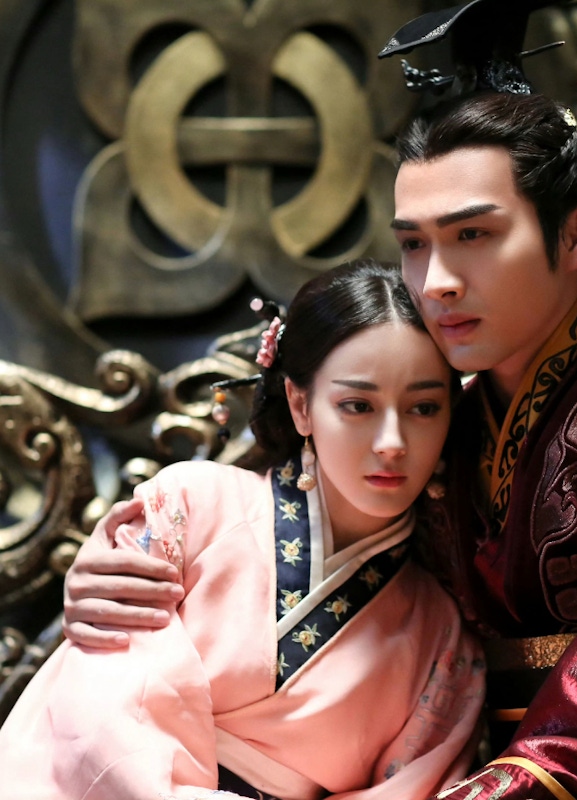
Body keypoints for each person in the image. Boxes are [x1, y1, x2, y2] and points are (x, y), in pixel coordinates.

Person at [61, 10, 577, 800]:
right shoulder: (444, 415)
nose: (436, 282)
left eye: (473, 236)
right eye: (414, 243)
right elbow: (276, 517)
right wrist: (127, 569)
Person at [0, 259, 486, 800]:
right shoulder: (185, 508)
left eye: (423, 407)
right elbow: (101, 706)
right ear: (301, 405)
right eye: (357, 405)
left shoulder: (440, 634)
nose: (392, 442)